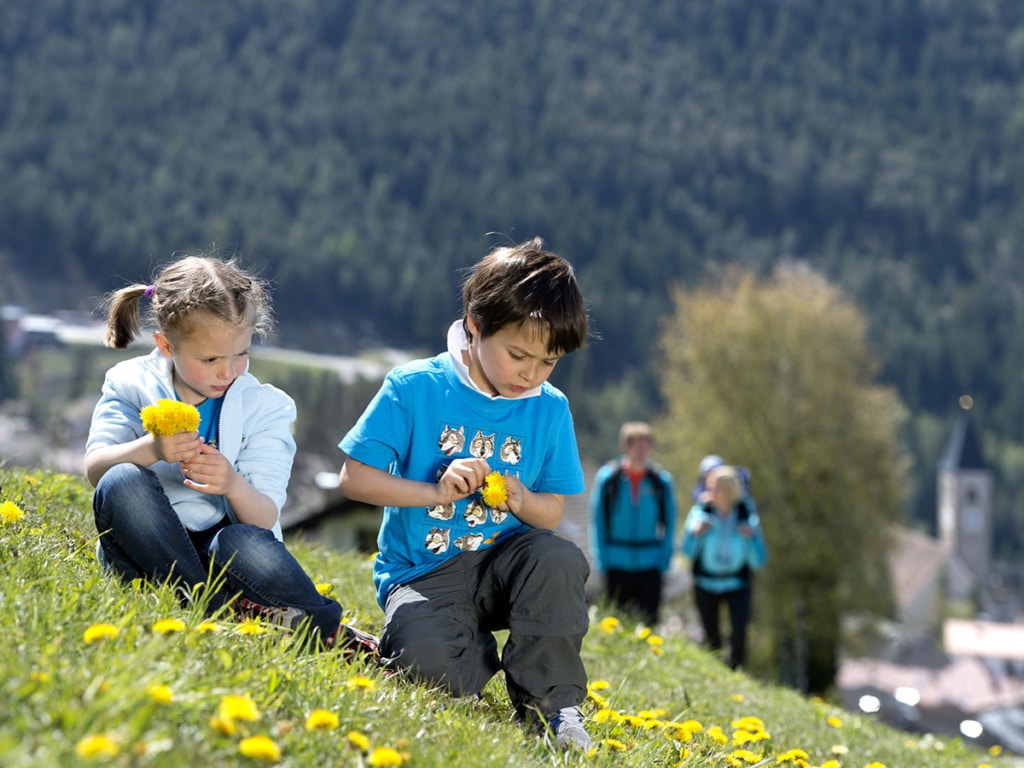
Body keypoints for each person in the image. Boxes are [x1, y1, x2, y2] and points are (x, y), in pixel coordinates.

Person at [337, 237, 593, 750]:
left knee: (559, 558)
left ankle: (552, 704)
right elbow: (354, 479)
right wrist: (433, 489)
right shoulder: (414, 387)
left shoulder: (549, 407)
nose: (531, 374)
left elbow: (551, 513)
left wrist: (521, 500)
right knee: (430, 670)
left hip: (505, 569)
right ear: (474, 325)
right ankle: (457, 652)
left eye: (549, 361)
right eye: (518, 354)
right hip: (425, 572)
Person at [85, 253, 371, 653]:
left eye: (241, 354)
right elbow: (97, 471)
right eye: (210, 359)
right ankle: (223, 608)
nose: (228, 371)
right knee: (122, 481)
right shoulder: (130, 383)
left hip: (224, 547)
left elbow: (264, 517)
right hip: (147, 545)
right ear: (166, 345)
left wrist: (232, 484)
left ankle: (326, 628)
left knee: (242, 542)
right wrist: (150, 448)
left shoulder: (267, 407)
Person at [589, 421, 677, 627]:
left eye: (646, 446)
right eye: (636, 446)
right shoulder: (609, 479)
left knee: (649, 624)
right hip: (616, 561)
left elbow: (670, 524)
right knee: (616, 624)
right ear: (625, 447)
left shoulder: (660, 481)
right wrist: (601, 559)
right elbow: (598, 521)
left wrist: (664, 561)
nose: (641, 451)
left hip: (650, 564)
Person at [681, 464, 767, 670]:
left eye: (722, 488)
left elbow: (759, 560)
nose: (716, 493)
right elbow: (687, 551)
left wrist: (751, 538)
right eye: (713, 487)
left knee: (739, 631)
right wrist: (696, 534)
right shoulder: (701, 513)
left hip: (737, 583)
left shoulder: (747, 516)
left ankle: (737, 670)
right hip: (705, 582)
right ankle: (715, 672)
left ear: (732, 491)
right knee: (711, 635)